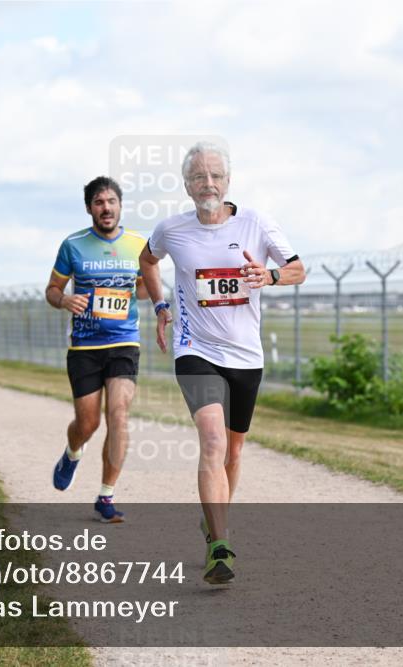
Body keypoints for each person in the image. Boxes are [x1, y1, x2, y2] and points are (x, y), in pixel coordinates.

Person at [139, 142, 306, 584]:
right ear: (187, 185)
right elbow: (147, 259)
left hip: (245, 355)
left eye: (215, 175)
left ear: (228, 181)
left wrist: (268, 275)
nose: (207, 183)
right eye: (198, 177)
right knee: (212, 440)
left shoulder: (257, 223)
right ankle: (220, 543)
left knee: (233, 450)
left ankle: (213, 518)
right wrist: (160, 304)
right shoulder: (172, 230)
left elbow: (298, 269)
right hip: (195, 350)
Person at [46, 176, 147, 523]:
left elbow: (145, 289)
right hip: (85, 347)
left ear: (120, 205)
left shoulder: (137, 244)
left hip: (123, 342)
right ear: (89, 207)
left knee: (118, 414)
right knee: (87, 424)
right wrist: (64, 300)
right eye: (99, 202)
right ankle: (72, 453)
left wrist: (150, 289)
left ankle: (106, 495)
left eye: (112, 201)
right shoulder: (72, 245)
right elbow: (52, 289)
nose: (107, 208)